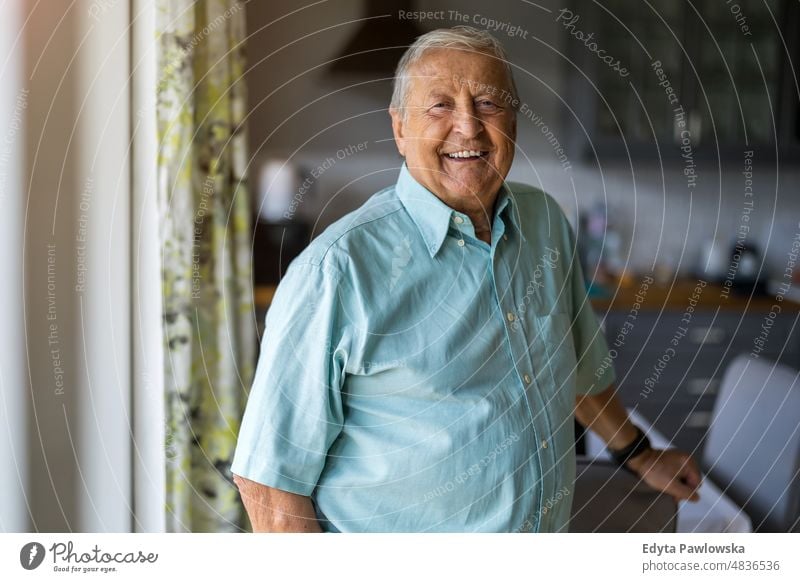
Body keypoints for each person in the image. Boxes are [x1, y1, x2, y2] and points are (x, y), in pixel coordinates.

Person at [231, 26, 701, 533]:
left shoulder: (545, 225)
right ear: (399, 129)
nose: (469, 127)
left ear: (515, 121)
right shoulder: (336, 272)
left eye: (489, 104)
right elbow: (270, 485)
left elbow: (576, 371)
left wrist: (637, 451)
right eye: (439, 106)